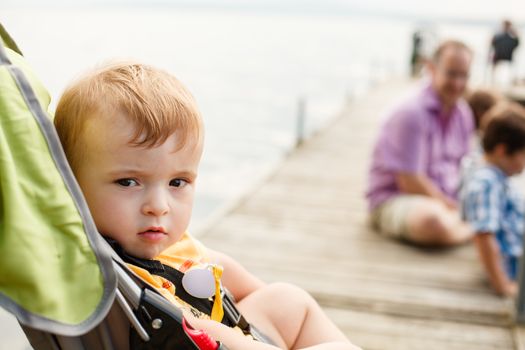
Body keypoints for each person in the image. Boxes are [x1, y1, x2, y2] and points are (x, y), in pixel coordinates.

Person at [53, 61, 360, 350]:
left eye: (177, 182)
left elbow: (250, 287)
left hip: (234, 331)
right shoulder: (126, 283)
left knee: (287, 299)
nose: (158, 207)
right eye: (128, 182)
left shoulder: (170, 246)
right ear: (71, 183)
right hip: (207, 340)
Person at [366, 40, 475, 247]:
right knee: (432, 221)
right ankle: (471, 231)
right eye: (452, 74)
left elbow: (464, 169)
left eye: (464, 75)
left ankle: (462, 228)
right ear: (431, 69)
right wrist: (453, 208)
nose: (458, 83)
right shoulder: (410, 113)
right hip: (397, 198)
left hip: (444, 200)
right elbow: (410, 182)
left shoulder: (463, 114)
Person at [461, 104, 525, 297]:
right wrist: (503, 286)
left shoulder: (480, 165)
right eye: (523, 154)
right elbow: (484, 235)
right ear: (501, 150)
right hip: (514, 269)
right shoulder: (487, 184)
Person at [490, 20, 520, 86]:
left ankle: (509, 81)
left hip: (506, 56)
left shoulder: (508, 37)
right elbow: (493, 44)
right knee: (494, 64)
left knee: (495, 63)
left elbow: (517, 44)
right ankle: (493, 81)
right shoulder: (499, 36)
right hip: (500, 56)